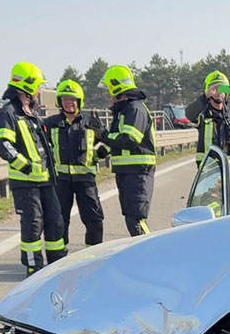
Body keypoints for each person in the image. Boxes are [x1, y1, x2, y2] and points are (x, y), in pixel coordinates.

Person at [0, 62, 66, 275]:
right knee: (33, 224)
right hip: (26, 183)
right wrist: (25, 166)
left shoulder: (31, 113)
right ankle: (34, 267)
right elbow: (2, 144)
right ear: (28, 87)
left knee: (55, 221)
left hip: (45, 180)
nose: (40, 91)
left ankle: (57, 264)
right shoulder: (9, 113)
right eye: (38, 87)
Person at [44, 80, 105, 247]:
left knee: (94, 219)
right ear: (59, 101)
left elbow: (108, 140)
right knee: (59, 220)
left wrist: (102, 151)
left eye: (72, 99)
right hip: (61, 181)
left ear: (79, 101)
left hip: (86, 180)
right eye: (65, 99)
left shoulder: (91, 122)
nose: (68, 103)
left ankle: (92, 255)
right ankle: (59, 257)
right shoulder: (50, 124)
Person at [98, 65, 156, 236]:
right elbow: (117, 138)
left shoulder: (135, 109)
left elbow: (130, 140)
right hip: (127, 172)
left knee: (136, 220)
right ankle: (142, 255)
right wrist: (102, 150)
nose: (109, 95)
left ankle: (148, 254)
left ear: (117, 88)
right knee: (131, 218)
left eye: (109, 89)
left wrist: (103, 135)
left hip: (138, 172)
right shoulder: (124, 110)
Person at [185, 70, 230, 193]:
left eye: (222, 89)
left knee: (226, 206)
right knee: (208, 203)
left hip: (228, 169)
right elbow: (189, 114)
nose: (219, 92)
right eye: (215, 89)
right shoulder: (202, 114)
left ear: (226, 93)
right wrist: (205, 97)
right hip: (207, 169)